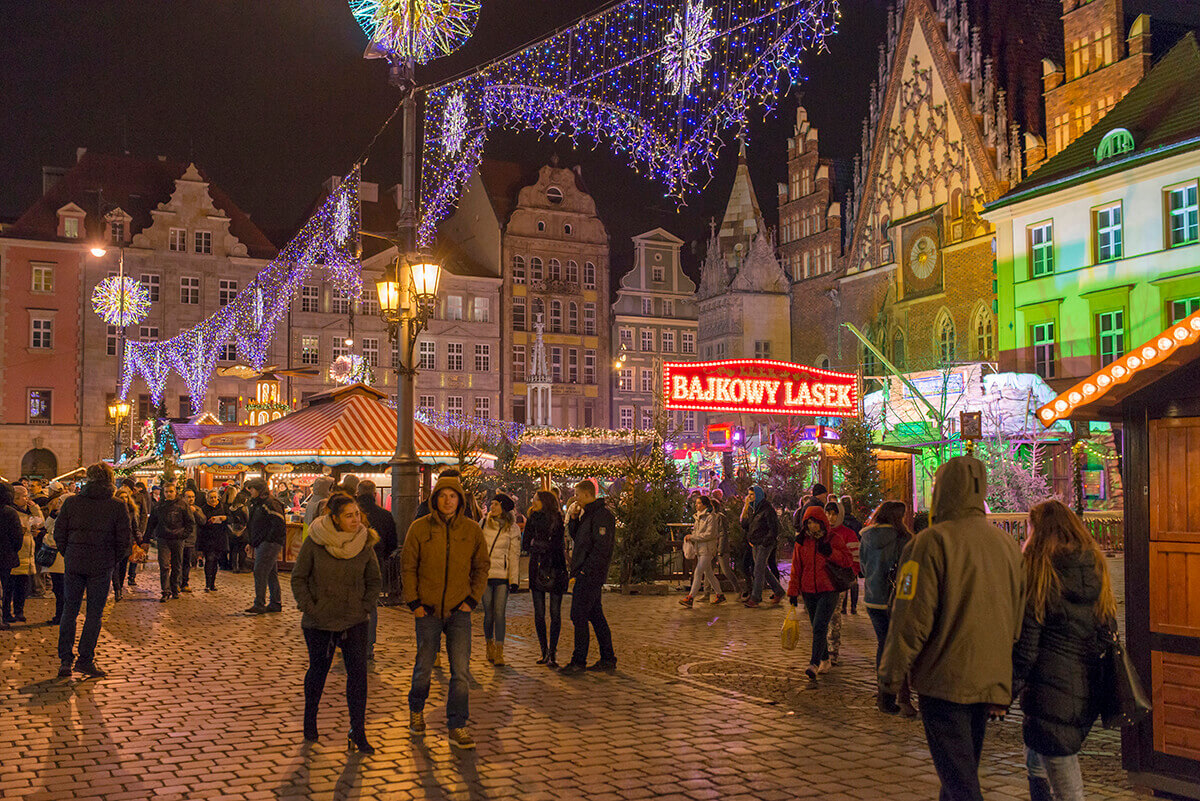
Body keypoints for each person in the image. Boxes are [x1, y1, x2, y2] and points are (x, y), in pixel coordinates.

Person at [879, 456, 1024, 801]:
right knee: (961, 770)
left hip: (945, 679)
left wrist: (889, 678)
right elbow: (1019, 615)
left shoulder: (929, 543)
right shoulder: (1006, 545)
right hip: (991, 677)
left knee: (960, 781)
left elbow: (910, 619)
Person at [1011, 500, 1117, 801]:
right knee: (1037, 755)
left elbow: (1027, 648)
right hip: (1085, 685)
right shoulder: (1094, 563)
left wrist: (1003, 693)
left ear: (1038, 531)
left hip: (1050, 689)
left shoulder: (1040, 569)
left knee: (1065, 780)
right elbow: (1106, 629)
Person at [402, 474, 489, 750]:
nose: (448, 501)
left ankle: (457, 724)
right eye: (443, 495)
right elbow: (408, 567)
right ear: (434, 499)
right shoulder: (419, 528)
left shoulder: (472, 529)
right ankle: (416, 709)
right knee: (424, 667)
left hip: (459, 610)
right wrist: (414, 603)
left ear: (460, 500)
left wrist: (472, 600)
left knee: (460, 671)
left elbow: (481, 567)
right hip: (426, 610)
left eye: (453, 496)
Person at [291, 493, 381, 752]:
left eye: (357, 514)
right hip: (320, 620)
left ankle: (358, 730)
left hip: (354, 619)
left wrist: (365, 605)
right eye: (348, 515)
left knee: (358, 676)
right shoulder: (316, 541)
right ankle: (310, 720)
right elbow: (299, 578)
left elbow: (374, 580)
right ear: (335, 518)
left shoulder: (364, 542)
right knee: (318, 672)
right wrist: (310, 607)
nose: (355, 520)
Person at [54, 463, 132, 678]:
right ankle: (85, 659)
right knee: (94, 614)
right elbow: (123, 539)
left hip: (75, 561)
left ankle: (65, 660)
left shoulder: (72, 502)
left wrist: (68, 552)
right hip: (101, 563)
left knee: (69, 610)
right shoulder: (116, 505)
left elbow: (59, 533)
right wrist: (112, 560)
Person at [787, 505, 854, 682]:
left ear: (822, 523)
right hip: (808, 590)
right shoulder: (801, 541)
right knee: (817, 627)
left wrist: (830, 552)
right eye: (809, 523)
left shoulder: (832, 539)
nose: (812, 526)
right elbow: (796, 568)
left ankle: (814, 663)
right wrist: (793, 592)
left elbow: (847, 560)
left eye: (815, 523)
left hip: (829, 589)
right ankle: (825, 659)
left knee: (819, 626)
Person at [858, 500, 912, 714]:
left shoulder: (867, 536)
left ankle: (884, 691)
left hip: (873, 598)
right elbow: (909, 570)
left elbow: (862, 566)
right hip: (895, 599)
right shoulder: (902, 538)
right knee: (897, 647)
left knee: (883, 644)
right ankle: (894, 694)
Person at [560, 480, 618, 676]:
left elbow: (601, 549)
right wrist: (575, 519)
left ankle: (579, 661)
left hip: (590, 574)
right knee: (595, 615)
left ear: (586, 494)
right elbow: (580, 540)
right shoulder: (588, 514)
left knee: (578, 615)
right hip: (585, 572)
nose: (575, 498)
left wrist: (585, 571)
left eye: (577, 494)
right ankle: (608, 658)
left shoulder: (602, 516)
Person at [524, 490, 568, 666]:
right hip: (546, 566)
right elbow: (527, 543)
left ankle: (548, 651)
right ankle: (548, 651)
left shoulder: (547, 519)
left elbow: (528, 543)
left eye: (536, 499)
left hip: (547, 566)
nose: (533, 502)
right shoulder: (543, 519)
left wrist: (537, 545)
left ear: (544, 502)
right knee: (547, 613)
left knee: (547, 613)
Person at [355, 480, 397, 661]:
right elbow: (393, 543)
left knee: (352, 603)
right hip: (376, 563)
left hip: (353, 562)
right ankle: (368, 646)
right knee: (371, 605)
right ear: (374, 494)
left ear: (358, 492)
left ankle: (351, 642)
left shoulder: (352, 513)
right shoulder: (385, 515)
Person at [479, 492, 520, 667]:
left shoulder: (512, 528)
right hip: (486, 576)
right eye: (492, 504)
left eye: (496, 504)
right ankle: (489, 644)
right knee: (488, 615)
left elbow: (514, 554)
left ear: (503, 508)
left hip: (502, 576)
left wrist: (514, 580)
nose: (492, 507)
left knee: (499, 614)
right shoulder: (483, 524)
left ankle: (499, 651)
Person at [824, 499, 859, 665]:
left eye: (834, 514)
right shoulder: (820, 532)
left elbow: (855, 560)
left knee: (834, 615)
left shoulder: (848, 534)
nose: (831, 517)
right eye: (828, 513)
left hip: (838, 582)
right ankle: (823, 650)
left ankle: (833, 650)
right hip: (822, 581)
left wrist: (849, 576)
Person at [245, 477, 286, 614]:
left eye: (252, 489)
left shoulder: (270, 503)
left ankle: (259, 603)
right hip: (263, 542)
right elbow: (253, 524)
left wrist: (268, 539)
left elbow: (278, 524)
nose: (250, 491)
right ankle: (275, 603)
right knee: (271, 573)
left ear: (259, 489)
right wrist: (252, 542)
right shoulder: (257, 503)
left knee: (260, 570)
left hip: (269, 543)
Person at [147, 483, 194, 602]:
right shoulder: (159, 506)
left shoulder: (182, 505)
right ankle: (165, 591)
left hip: (178, 538)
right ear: (163, 492)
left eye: (171, 491)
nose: (169, 494)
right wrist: (146, 539)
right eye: (167, 491)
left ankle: (174, 588)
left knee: (177, 564)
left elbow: (190, 522)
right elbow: (151, 523)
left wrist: (183, 535)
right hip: (163, 538)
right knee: (164, 565)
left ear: (175, 492)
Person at [5, 484, 45, 623]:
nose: (27, 499)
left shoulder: (28, 512)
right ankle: (7, 613)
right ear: (16, 498)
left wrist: (35, 508)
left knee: (22, 588)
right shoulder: (11, 512)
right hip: (16, 556)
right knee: (9, 588)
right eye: (24, 496)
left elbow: (40, 524)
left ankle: (19, 611)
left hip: (28, 555)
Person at [740, 486, 784, 608]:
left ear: (758, 495)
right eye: (749, 495)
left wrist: (765, 541)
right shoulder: (753, 509)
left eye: (752, 495)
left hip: (764, 543)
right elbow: (744, 524)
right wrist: (746, 506)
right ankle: (779, 591)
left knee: (758, 569)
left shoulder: (767, 509)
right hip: (755, 543)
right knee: (762, 569)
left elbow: (774, 528)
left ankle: (756, 597)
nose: (750, 497)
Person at [680, 495, 725, 607]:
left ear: (705, 505)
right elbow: (697, 532)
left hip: (707, 549)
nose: (696, 505)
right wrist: (691, 537)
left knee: (698, 572)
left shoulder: (710, 517)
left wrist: (693, 537)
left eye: (699, 503)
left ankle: (691, 598)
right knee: (709, 573)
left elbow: (709, 534)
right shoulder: (698, 517)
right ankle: (720, 594)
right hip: (700, 549)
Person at [111, 486, 141, 602]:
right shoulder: (113, 510)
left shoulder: (131, 511)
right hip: (114, 541)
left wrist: (139, 537)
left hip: (127, 542)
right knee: (115, 566)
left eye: (126, 497)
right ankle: (117, 589)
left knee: (123, 566)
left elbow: (135, 527)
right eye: (121, 497)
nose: (124, 499)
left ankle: (120, 585)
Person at [0, 484, 23, 631]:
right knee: (4, 587)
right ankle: (3, 616)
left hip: (5, 555)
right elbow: (17, 538)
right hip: (5, 556)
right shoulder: (10, 512)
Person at [197, 490, 230, 592]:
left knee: (215, 561)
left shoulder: (223, 507)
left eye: (215, 497)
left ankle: (212, 584)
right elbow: (200, 523)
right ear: (207, 498)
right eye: (211, 498)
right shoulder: (204, 509)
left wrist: (225, 518)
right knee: (210, 560)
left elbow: (231, 519)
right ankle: (207, 583)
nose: (213, 500)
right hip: (208, 538)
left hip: (220, 537)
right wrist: (208, 522)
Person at [180, 489, 204, 593]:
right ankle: (176, 583)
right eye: (189, 497)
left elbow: (203, 521)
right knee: (177, 563)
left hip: (190, 540)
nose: (191, 499)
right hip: (179, 539)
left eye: (192, 497)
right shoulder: (179, 508)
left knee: (186, 563)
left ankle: (184, 583)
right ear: (183, 498)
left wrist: (195, 513)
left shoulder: (197, 509)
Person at [225, 485, 250, 573]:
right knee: (242, 549)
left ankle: (234, 566)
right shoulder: (243, 508)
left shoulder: (231, 507)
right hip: (242, 530)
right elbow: (247, 519)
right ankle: (242, 566)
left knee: (234, 549)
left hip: (232, 530)